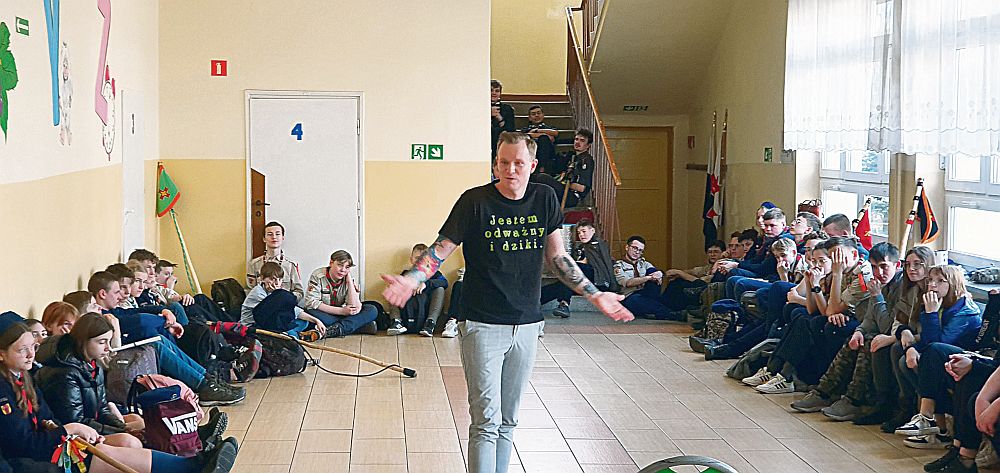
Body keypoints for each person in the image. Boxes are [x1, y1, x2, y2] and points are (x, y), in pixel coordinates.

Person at [381, 131, 633, 473]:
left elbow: (558, 258)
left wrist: (594, 293)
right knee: (486, 421)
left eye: (517, 163)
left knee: (509, 419)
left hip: (527, 323)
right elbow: (440, 250)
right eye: (503, 163)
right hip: (482, 323)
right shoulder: (474, 201)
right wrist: (412, 279)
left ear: (533, 165)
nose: (510, 170)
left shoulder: (544, 198)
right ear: (495, 164)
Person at [0, 313, 239, 473]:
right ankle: (191, 465)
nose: (31, 355)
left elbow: (49, 418)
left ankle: (192, 454)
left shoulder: (23, 377)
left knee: (127, 432)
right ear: (1, 354)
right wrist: (70, 430)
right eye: (22, 350)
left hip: (50, 444)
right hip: (30, 460)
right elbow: (24, 444)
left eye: (32, 347)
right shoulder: (10, 389)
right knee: (116, 447)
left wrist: (68, 430)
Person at [89, 271, 244, 406]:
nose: (121, 296)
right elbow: (140, 320)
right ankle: (203, 385)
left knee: (159, 339)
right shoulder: (104, 316)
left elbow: (135, 312)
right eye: (117, 292)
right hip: (116, 354)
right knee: (155, 342)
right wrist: (165, 321)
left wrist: (164, 311)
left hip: (125, 345)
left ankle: (206, 379)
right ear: (103, 294)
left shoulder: (113, 311)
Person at [791, 242, 903, 419]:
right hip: (869, 325)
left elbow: (886, 326)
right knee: (851, 338)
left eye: (884, 267)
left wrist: (877, 296)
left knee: (865, 340)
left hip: (895, 335)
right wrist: (860, 330)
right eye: (874, 267)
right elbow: (870, 318)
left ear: (897, 265)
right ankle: (825, 391)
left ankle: (854, 399)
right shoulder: (879, 282)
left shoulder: (898, 285)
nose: (879, 272)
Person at [893, 265, 982, 439]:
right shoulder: (940, 303)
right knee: (905, 357)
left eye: (941, 281)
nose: (933, 285)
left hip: (964, 359)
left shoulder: (965, 311)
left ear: (953, 284)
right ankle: (935, 426)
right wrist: (911, 348)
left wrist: (931, 313)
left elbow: (937, 344)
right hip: (940, 356)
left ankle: (929, 419)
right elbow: (926, 340)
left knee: (929, 359)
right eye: (931, 280)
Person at [540, 219, 617, 319]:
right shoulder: (582, 247)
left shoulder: (599, 244)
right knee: (560, 286)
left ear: (592, 230)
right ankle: (539, 302)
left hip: (599, 281)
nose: (581, 235)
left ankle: (563, 303)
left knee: (571, 270)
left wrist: (613, 285)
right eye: (579, 232)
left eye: (584, 231)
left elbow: (605, 264)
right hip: (584, 281)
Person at [241, 262, 327, 341]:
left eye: (280, 279)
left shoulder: (275, 293)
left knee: (304, 322)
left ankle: (296, 335)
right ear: (262, 278)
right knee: (288, 333)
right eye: (272, 279)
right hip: (254, 326)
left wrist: (316, 320)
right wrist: (277, 293)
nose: (277, 283)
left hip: (272, 322)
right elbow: (267, 314)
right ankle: (299, 336)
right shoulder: (258, 293)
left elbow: (294, 309)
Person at [303, 250, 379, 338]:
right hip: (325, 313)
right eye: (340, 265)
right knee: (310, 313)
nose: (343, 270)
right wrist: (342, 311)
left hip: (341, 314)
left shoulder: (348, 278)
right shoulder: (318, 275)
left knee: (372, 309)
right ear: (331, 263)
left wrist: (349, 282)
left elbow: (354, 307)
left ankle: (333, 330)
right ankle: (359, 327)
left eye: (347, 267)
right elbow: (311, 303)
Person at [387, 244, 449, 336]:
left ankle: (430, 323)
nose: (419, 262)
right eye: (416, 258)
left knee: (439, 289)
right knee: (394, 287)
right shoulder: (406, 274)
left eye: (422, 259)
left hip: (426, 310)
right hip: (407, 310)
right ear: (411, 260)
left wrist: (426, 284)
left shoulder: (434, 274)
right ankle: (396, 321)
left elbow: (445, 283)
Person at [612, 236, 679, 320]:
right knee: (636, 300)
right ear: (627, 247)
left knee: (662, 283)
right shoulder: (618, 266)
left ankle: (658, 310)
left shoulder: (643, 263)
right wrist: (648, 278)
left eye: (640, 250)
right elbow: (628, 283)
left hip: (646, 294)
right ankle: (670, 313)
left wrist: (659, 274)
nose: (637, 252)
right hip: (629, 296)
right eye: (635, 248)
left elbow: (654, 272)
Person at [246, 221, 304, 302]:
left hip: (284, 305)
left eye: (277, 234)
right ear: (264, 239)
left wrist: (285, 297)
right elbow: (249, 290)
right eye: (270, 234)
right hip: (261, 304)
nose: (274, 237)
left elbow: (299, 292)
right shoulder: (254, 264)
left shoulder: (291, 265)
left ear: (282, 237)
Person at [559, 129, 595, 208]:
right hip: (564, 191)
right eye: (576, 139)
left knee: (543, 178)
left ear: (588, 145)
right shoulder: (572, 156)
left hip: (573, 196)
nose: (577, 142)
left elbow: (582, 188)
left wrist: (562, 182)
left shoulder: (587, 160)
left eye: (582, 140)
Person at [520, 105, 560, 175]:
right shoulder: (525, 129)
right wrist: (545, 135)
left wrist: (537, 131)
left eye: (538, 113)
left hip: (548, 154)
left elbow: (555, 133)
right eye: (533, 114)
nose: (536, 115)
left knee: (543, 139)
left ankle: (542, 168)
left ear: (543, 115)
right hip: (533, 153)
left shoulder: (549, 127)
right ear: (529, 118)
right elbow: (526, 135)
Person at [490, 80, 515, 158]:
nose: (494, 93)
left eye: (497, 91)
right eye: (491, 90)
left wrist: (499, 117)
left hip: (501, 137)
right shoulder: (479, 107)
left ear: (500, 93)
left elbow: (511, 129)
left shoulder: (507, 109)